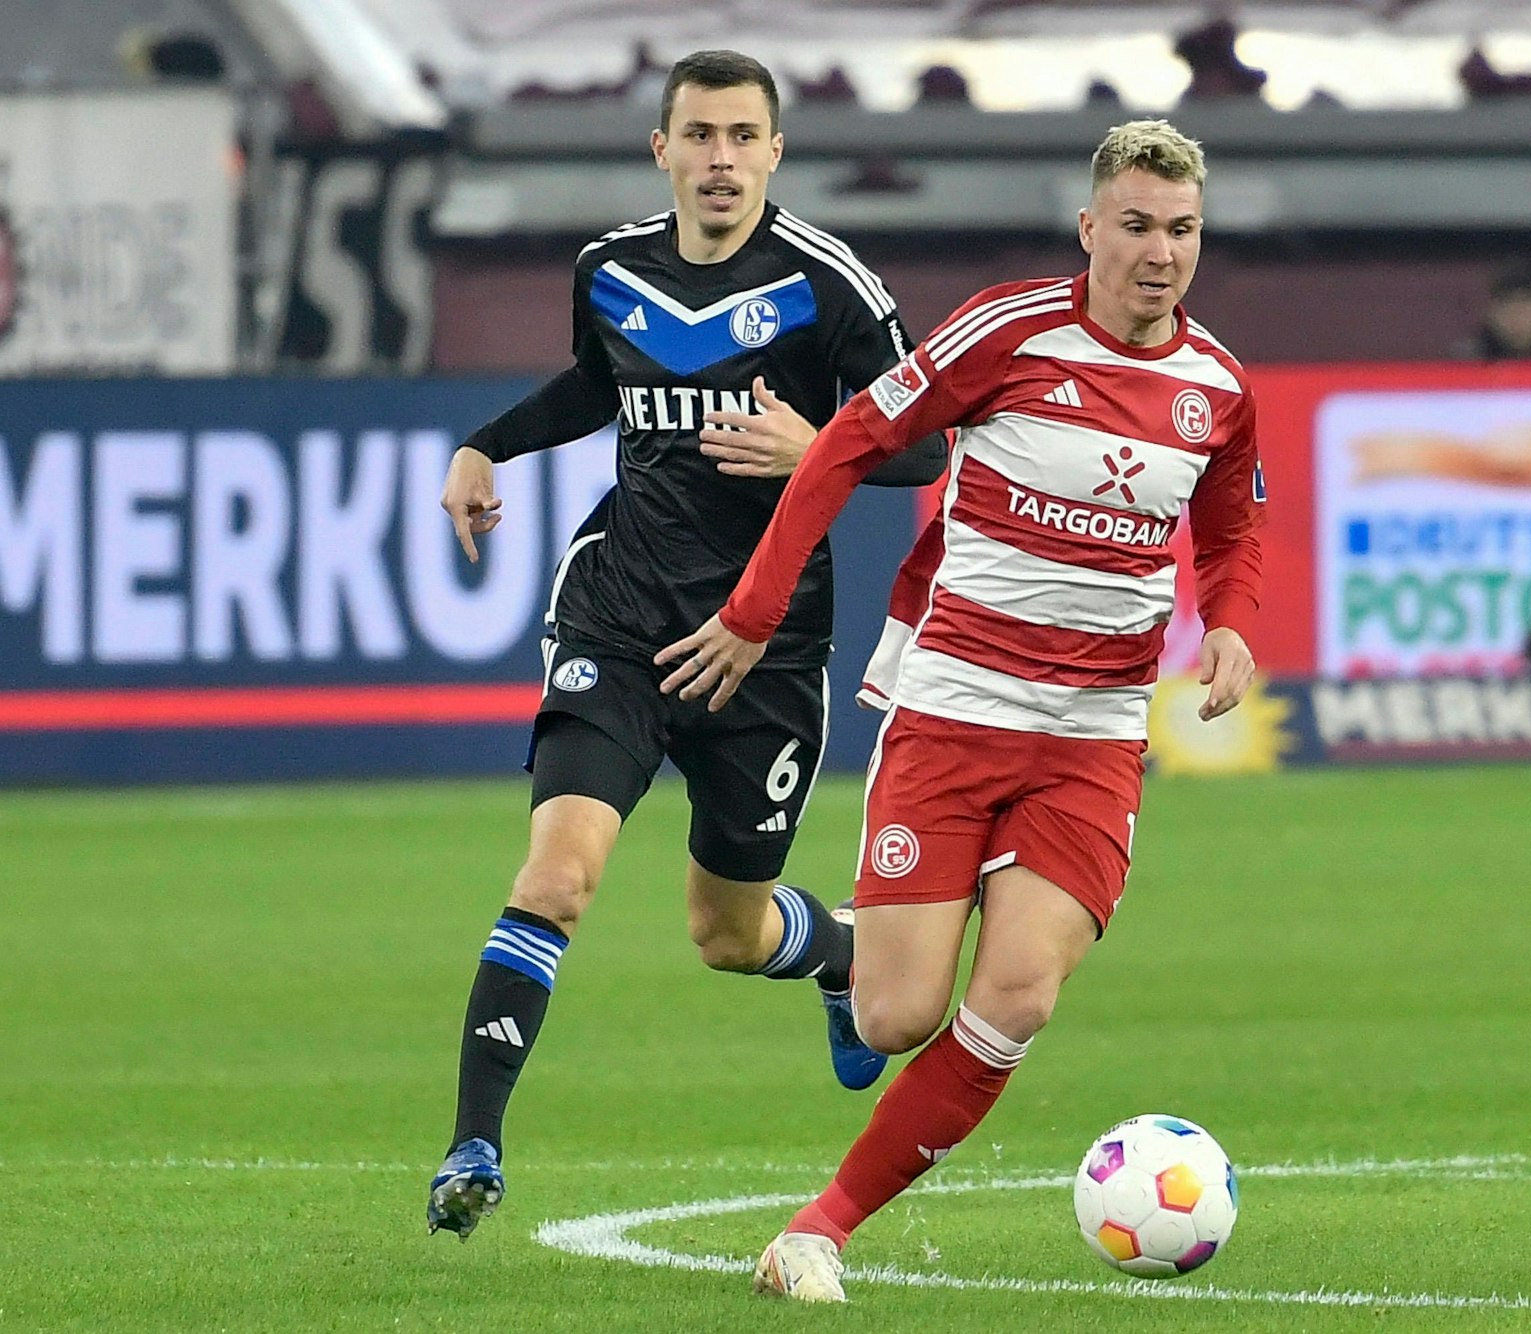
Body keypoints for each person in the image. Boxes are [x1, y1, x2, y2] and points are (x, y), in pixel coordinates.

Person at [657, 118, 1265, 1303]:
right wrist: (754, 606)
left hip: (1090, 735)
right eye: (1136, 225)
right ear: (1090, 227)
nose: (1160, 253)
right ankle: (846, 950)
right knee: (894, 1015)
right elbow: (849, 442)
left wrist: (1232, 621)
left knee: (1020, 991)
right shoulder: (1007, 331)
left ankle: (816, 1230)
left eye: (1182, 230)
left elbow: (1236, 526)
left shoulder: (1218, 386)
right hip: (956, 708)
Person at [426, 49, 946, 1240]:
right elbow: (590, 385)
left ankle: (836, 953)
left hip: (765, 647)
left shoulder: (828, 284)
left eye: (742, 136)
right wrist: (483, 446)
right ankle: (474, 1145)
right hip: (620, 618)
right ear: (661, 149)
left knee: (728, 930)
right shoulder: (610, 270)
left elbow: (924, 444)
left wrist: (816, 447)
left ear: (774, 151)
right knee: (557, 875)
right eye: (698, 135)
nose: (721, 157)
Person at [1455, 261, 1531, 361]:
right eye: (1507, 306)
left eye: (1526, 308)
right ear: (1490, 312)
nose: (1517, 317)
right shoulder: (1464, 366)